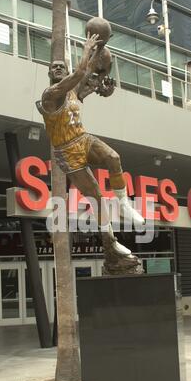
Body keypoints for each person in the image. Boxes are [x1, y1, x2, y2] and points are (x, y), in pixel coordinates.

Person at [37, 33, 145, 260]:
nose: (58, 69)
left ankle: (124, 204)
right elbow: (79, 73)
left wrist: (100, 49)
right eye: (54, 67)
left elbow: (89, 76)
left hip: (82, 139)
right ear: (49, 74)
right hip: (66, 152)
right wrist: (87, 49)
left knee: (113, 158)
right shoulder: (50, 95)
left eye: (61, 67)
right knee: (96, 197)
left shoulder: (73, 92)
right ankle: (111, 242)